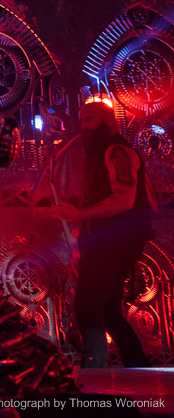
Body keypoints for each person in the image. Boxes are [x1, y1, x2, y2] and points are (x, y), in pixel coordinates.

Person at [50, 101, 153, 368]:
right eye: (82, 120)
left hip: (113, 244)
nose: (83, 127)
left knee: (88, 308)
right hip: (104, 243)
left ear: (106, 122)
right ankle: (138, 365)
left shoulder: (116, 151)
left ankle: (93, 372)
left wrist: (80, 214)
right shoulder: (99, 154)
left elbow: (124, 200)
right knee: (108, 311)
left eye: (89, 119)